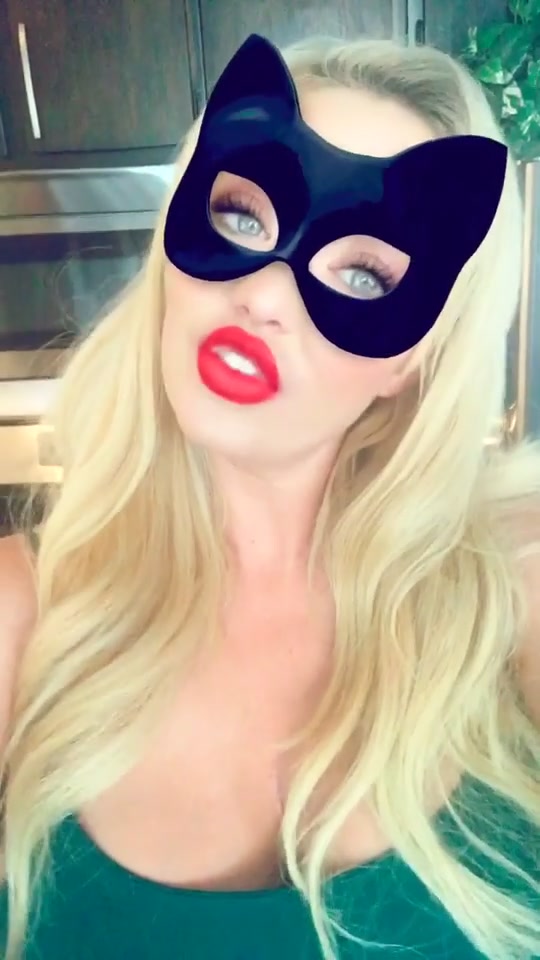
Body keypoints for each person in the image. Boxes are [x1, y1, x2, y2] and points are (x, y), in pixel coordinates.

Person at [0, 30, 539, 960]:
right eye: (243, 218)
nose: (265, 295)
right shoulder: (20, 616)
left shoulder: (514, 598)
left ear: (412, 361)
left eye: (362, 273)